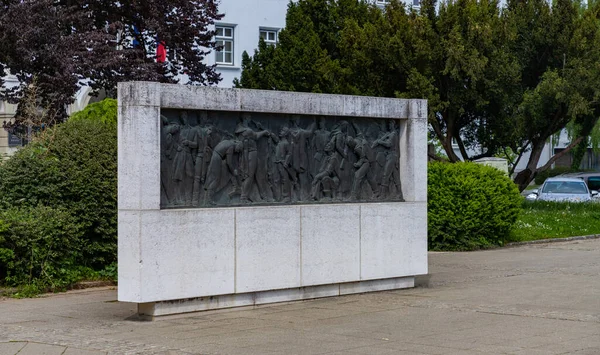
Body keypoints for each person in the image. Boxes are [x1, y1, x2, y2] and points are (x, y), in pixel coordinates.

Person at [235, 113, 271, 203]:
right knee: (249, 176)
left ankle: (263, 195)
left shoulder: (241, 128)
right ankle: (243, 197)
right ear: (246, 118)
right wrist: (264, 132)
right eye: (249, 117)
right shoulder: (246, 130)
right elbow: (255, 136)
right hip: (250, 154)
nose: (251, 118)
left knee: (259, 174)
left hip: (252, 153)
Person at [203, 139, 243, 205]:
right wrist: (233, 171)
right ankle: (209, 199)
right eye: (239, 149)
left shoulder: (229, 142)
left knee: (214, 178)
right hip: (217, 158)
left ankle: (208, 197)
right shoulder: (231, 147)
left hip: (216, 157)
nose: (238, 151)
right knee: (216, 179)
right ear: (238, 145)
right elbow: (229, 163)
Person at [171, 111, 198, 206]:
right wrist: (176, 147)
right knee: (178, 177)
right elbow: (172, 141)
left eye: (185, 116)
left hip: (188, 155)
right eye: (181, 117)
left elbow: (196, 144)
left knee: (190, 177)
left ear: (187, 117)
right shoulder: (179, 130)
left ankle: (188, 200)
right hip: (179, 155)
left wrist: (188, 142)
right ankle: (177, 199)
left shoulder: (193, 130)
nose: (183, 118)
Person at [372, 119, 403, 200]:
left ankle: (383, 195)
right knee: (395, 176)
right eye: (388, 124)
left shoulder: (393, 134)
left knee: (385, 174)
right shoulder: (389, 134)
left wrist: (380, 142)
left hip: (392, 156)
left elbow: (389, 144)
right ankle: (399, 194)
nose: (389, 125)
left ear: (393, 124)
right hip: (390, 156)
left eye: (390, 124)